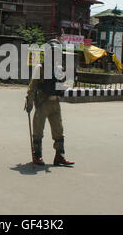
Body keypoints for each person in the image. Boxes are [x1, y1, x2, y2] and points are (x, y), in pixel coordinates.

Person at [25, 39, 75, 167]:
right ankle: (37, 156)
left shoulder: (59, 69)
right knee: (38, 131)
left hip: (55, 103)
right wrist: (29, 101)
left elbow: (65, 83)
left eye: (57, 52)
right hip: (43, 102)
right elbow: (32, 87)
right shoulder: (40, 68)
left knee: (59, 130)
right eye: (53, 52)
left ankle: (59, 156)